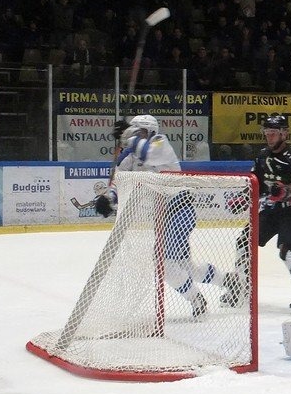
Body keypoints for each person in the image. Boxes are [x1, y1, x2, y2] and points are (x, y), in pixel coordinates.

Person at [94, 114, 229, 317]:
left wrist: (129, 136)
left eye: (140, 132)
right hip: (163, 216)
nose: (137, 135)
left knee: (164, 264)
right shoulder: (131, 154)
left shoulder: (160, 144)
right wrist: (108, 198)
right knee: (185, 267)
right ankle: (228, 280)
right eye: (135, 131)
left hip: (180, 210)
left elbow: (147, 153)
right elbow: (120, 181)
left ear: (151, 132)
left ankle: (196, 299)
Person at [235, 114, 291, 314]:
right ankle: (240, 289)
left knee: (287, 251)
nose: (269, 136)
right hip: (273, 210)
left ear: (284, 134)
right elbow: (254, 182)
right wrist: (242, 197)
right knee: (244, 242)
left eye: (273, 133)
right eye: (267, 132)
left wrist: (286, 191)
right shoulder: (262, 156)